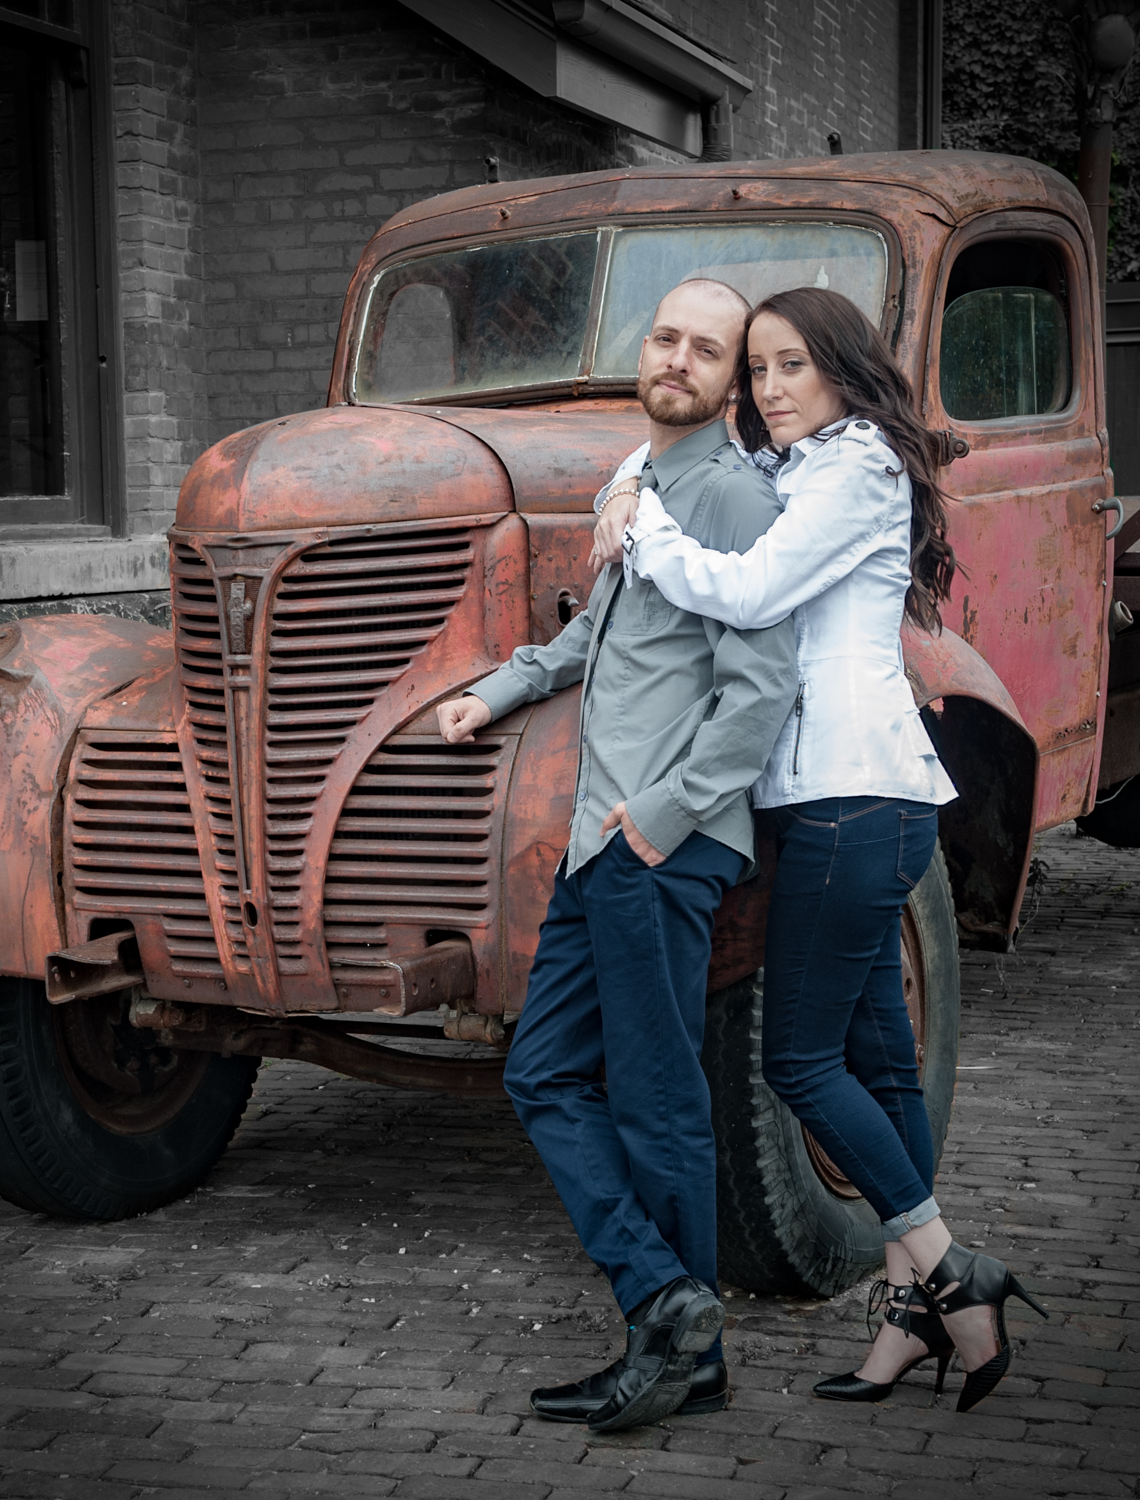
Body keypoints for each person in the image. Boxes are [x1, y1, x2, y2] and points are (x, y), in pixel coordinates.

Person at [590, 286, 1048, 1414]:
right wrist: (630, 487)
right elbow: (674, 478)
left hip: (854, 796)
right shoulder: (806, 466)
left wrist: (640, 530)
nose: (766, 389)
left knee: (797, 1063)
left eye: (789, 365)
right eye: (757, 372)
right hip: (834, 801)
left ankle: (949, 1267)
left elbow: (748, 589)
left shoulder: (858, 468)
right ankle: (911, 1319)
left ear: (842, 367)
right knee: (884, 1066)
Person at [437, 278, 798, 1432]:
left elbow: (759, 690)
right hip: (606, 846)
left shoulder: (734, 501)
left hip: (659, 842)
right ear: (642, 353)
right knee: (542, 1071)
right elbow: (598, 636)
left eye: (708, 350)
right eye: (667, 338)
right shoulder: (636, 486)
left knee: (655, 1101)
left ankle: (681, 1348)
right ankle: (671, 1314)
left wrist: (660, 819)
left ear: (732, 382)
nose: (679, 359)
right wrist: (491, 692)